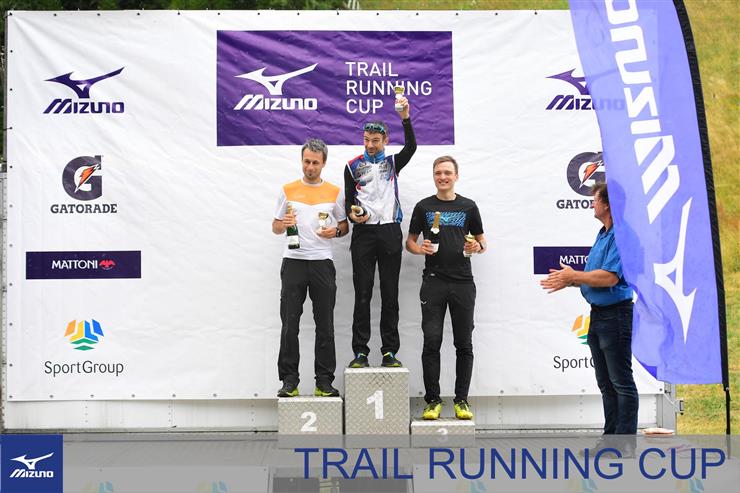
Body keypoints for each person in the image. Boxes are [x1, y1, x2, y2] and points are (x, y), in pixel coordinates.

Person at [540, 182, 638, 448]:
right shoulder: (603, 234)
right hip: (599, 316)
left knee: (621, 382)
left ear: (607, 204)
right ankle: (610, 442)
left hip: (616, 316)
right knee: (606, 383)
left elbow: (609, 278)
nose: (591, 204)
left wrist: (575, 275)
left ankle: (624, 445)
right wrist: (571, 280)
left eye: (595, 200)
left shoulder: (622, 235)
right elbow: (594, 275)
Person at [406, 156, 486, 420]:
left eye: (447, 173)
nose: (443, 177)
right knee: (432, 342)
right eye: (438, 173)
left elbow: (483, 243)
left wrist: (476, 246)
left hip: (463, 282)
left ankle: (462, 400)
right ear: (434, 176)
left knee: (464, 343)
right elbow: (410, 242)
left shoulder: (469, 206)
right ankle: (433, 401)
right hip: (433, 282)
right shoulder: (423, 207)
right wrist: (420, 249)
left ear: (456, 176)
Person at [273, 138, 349, 398]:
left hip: (322, 263)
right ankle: (289, 381)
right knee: (289, 324)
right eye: (306, 162)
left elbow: (344, 226)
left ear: (323, 163)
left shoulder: (335, 192)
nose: (310, 167)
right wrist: (283, 224)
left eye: (315, 163)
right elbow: (275, 226)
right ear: (301, 161)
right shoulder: (287, 189)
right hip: (293, 261)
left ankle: (324, 382)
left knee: (325, 325)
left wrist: (334, 232)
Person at [345, 96, 417, 369]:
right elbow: (349, 203)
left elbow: (411, 147)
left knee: (390, 293)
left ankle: (389, 351)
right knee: (362, 293)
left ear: (385, 140)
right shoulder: (352, 166)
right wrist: (352, 215)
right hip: (363, 234)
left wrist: (405, 118)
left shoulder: (393, 163)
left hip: (389, 231)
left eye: (375, 140)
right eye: (366, 140)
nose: (370, 145)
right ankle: (360, 352)